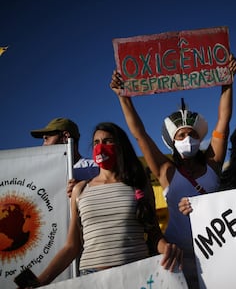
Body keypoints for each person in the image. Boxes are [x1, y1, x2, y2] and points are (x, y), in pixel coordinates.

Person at [110, 54, 236, 288]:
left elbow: (224, 120)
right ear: (173, 141)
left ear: (200, 139)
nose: (187, 138)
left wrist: (227, 82)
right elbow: (140, 134)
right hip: (176, 256)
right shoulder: (166, 170)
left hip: (218, 251)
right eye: (181, 135)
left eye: (192, 134)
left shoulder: (212, 162)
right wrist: (123, 97)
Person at [30, 122, 183, 287]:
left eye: (108, 141)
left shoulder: (138, 183)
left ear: (120, 146)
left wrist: (167, 248)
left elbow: (153, 234)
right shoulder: (80, 189)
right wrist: (37, 282)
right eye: (96, 143)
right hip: (92, 279)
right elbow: (72, 247)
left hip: (137, 276)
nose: (100, 147)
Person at [31, 117, 99, 192]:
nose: (43, 145)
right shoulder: (44, 174)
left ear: (65, 136)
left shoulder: (96, 169)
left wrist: (83, 188)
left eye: (46, 139)